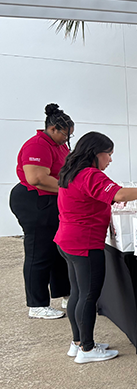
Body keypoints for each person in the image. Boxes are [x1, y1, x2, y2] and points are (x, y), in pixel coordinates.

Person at [55, 132, 137, 364]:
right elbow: (119, 193)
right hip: (85, 243)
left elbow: (97, 196)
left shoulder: (71, 172)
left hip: (67, 240)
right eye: (108, 154)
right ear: (95, 153)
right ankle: (87, 349)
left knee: (77, 293)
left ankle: (78, 342)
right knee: (88, 296)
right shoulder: (90, 174)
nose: (110, 160)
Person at [10, 104, 74, 319]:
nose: (67, 139)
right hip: (35, 200)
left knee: (58, 249)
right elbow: (37, 178)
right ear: (53, 129)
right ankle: (37, 304)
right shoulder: (37, 145)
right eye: (65, 134)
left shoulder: (58, 145)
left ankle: (65, 293)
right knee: (39, 251)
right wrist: (73, 189)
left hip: (54, 199)